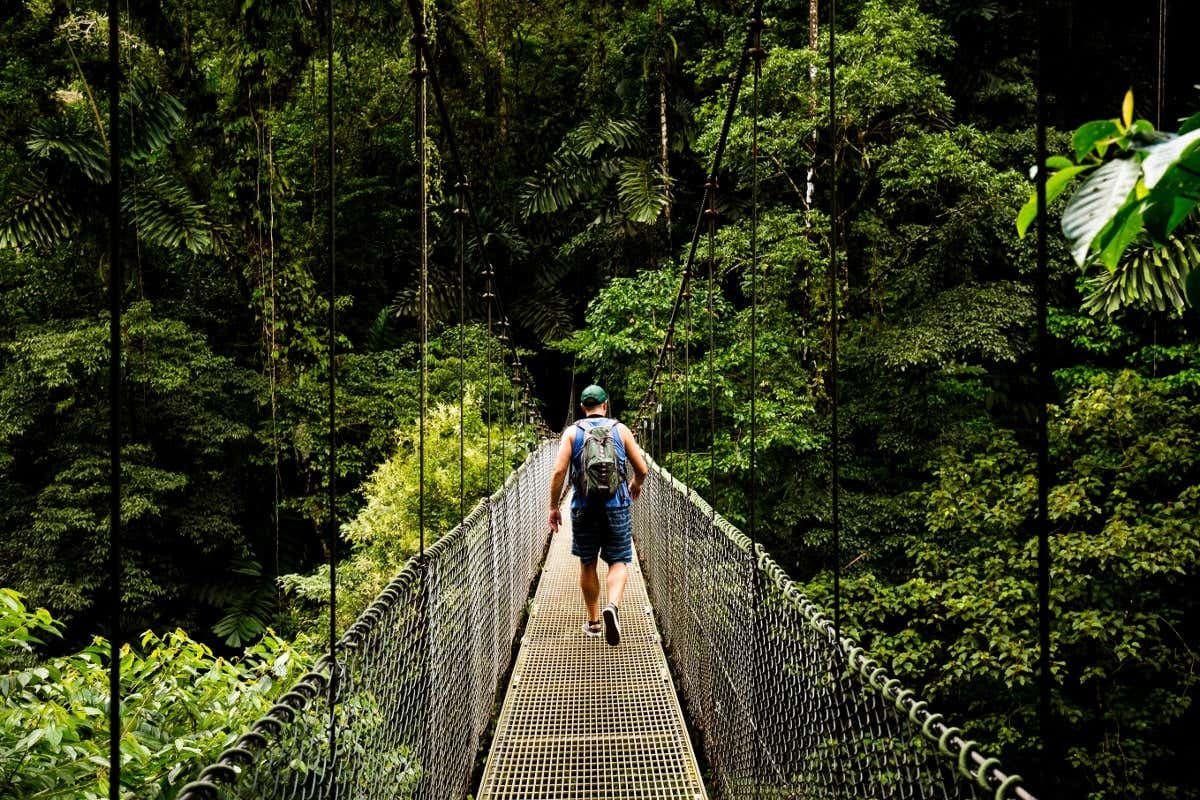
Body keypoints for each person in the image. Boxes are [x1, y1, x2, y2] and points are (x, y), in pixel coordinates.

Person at [548, 384, 649, 646]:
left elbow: (559, 472)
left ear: (583, 408)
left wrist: (553, 506)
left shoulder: (572, 433)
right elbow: (643, 470)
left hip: (583, 508)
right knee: (618, 561)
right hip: (617, 507)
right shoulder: (620, 430)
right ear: (605, 405)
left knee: (587, 563)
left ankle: (593, 622)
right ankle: (612, 607)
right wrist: (635, 483)